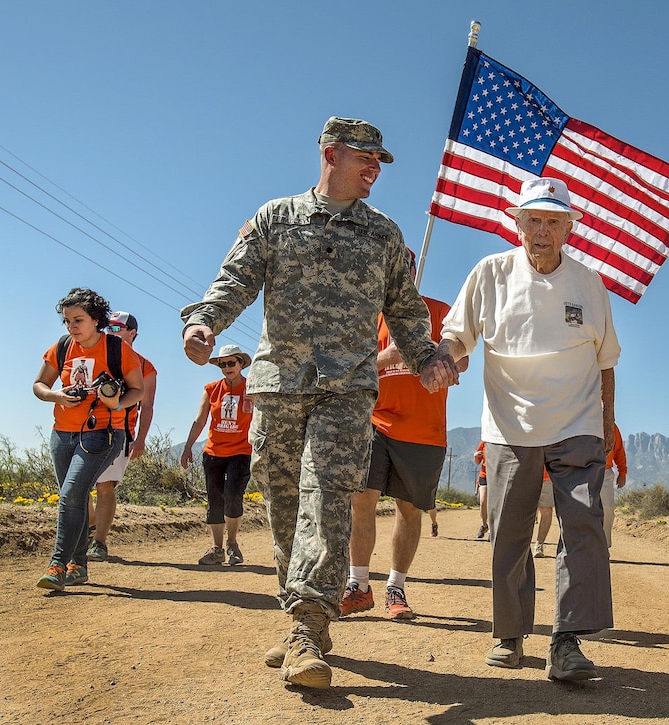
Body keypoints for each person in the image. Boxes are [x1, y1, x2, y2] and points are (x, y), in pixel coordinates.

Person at [180, 117, 459, 690]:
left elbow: (405, 310)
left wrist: (428, 356)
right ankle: (296, 616)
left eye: (381, 161)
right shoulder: (276, 218)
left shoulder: (383, 234)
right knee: (284, 502)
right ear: (330, 154)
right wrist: (204, 323)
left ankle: (310, 627)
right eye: (366, 158)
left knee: (327, 495)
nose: (375, 169)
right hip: (278, 384)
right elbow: (235, 279)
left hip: (348, 387)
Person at [436, 177, 620, 682]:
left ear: (569, 229)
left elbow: (606, 362)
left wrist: (605, 425)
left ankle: (567, 642)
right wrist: (444, 360)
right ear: (517, 223)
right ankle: (510, 634)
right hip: (509, 425)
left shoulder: (588, 283)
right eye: (534, 220)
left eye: (553, 222)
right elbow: (458, 336)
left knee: (583, 527)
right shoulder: (490, 274)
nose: (542, 231)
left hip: (578, 421)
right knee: (508, 533)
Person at [341, 286, 467, 621]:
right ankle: (358, 585)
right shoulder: (368, 313)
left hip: (423, 431)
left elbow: (463, 358)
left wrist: (439, 359)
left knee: (409, 511)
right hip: (375, 420)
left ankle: (395, 588)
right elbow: (351, 363)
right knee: (361, 501)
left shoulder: (439, 310)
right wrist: (392, 355)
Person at [32, 288, 144, 591]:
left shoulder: (117, 349)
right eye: (67, 321)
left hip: (103, 432)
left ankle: (57, 564)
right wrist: (57, 394)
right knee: (75, 497)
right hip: (62, 434)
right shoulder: (63, 347)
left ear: (96, 319)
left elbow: (138, 390)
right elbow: (39, 385)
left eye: (78, 320)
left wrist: (116, 403)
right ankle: (78, 565)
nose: (72, 327)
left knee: (71, 494)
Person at [86, 311, 157, 562]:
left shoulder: (145, 366)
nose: (110, 332)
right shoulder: (96, 353)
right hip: (86, 428)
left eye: (116, 329)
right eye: (108, 328)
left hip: (120, 432)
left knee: (105, 486)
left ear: (132, 333)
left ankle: (99, 543)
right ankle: (93, 524)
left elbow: (146, 405)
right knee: (78, 485)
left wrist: (141, 439)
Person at [179, 344, 254, 567]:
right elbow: (200, 419)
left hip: (241, 451)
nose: (227, 367)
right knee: (214, 500)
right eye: (223, 364)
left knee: (232, 495)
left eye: (232, 363)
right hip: (213, 453)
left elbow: (262, 417)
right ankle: (218, 549)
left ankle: (232, 543)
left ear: (240, 363)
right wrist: (188, 446)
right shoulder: (212, 389)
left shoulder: (251, 388)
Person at [601, 423, 627, 548]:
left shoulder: (611, 426)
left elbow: (619, 450)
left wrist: (622, 472)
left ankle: (604, 545)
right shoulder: (581, 419)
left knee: (607, 508)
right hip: (583, 472)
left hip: (605, 471)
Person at [532, 471, 554, 559]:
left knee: (546, 510)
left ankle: (539, 544)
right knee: (523, 511)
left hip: (547, 476)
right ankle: (521, 545)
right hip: (525, 476)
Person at [473, 441, 488, 540]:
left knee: (495, 504)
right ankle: (484, 525)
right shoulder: (484, 443)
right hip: (484, 475)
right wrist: (475, 456)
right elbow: (478, 461)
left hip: (498, 475)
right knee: (483, 501)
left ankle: (494, 528)